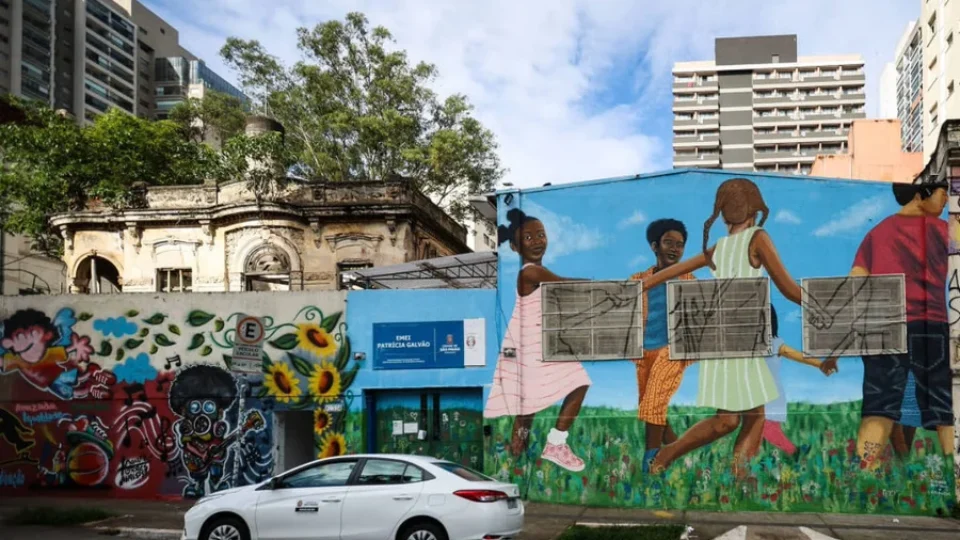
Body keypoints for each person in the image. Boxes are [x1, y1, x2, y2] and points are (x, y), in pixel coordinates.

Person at [640, 177, 829, 476]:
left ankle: (737, 475)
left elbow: (672, 271)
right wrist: (824, 305)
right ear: (754, 207)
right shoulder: (758, 238)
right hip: (744, 339)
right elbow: (788, 288)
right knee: (732, 420)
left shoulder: (721, 247)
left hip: (720, 341)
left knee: (745, 416)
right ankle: (670, 456)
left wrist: (641, 285)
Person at [844, 182, 953, 468]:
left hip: (883, 326)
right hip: (929, 326)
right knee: (942, 406)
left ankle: (865, 474)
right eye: (942, 195)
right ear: (920, 195)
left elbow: (856, 280)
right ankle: (954, 475)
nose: (945, 201)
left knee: (878, 406)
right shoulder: (942, 230)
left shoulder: (877, 233)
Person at [484, 208, 591, 472]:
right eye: (528, 238)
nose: (537, 241)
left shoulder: (536, 272)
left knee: (527, 410)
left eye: (541, 235)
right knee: (578, 384)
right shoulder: (529, 272)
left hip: (533, 344)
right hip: (530, 346)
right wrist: (597, 284)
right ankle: (555, 443)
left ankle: (515, 460)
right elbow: (564, 285)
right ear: (515, 246)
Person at [629, 219, 695, 472]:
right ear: (655, 246)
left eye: (680, 245)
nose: (675, 249)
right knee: (650, 406)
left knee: (654, 400)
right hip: (644, 351)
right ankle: (679, 454)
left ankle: (652, 463)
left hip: (674, 350)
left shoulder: (689, 279)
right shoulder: (638, 279)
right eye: (669, 243)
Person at [762, 305, 838, 455]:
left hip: (771, 396)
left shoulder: (775, 344)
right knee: (759, 430)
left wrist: (820, 364)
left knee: (768, 429)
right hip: (755, 396)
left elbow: (798, 355)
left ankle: (794, 452)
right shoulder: (746, 346)